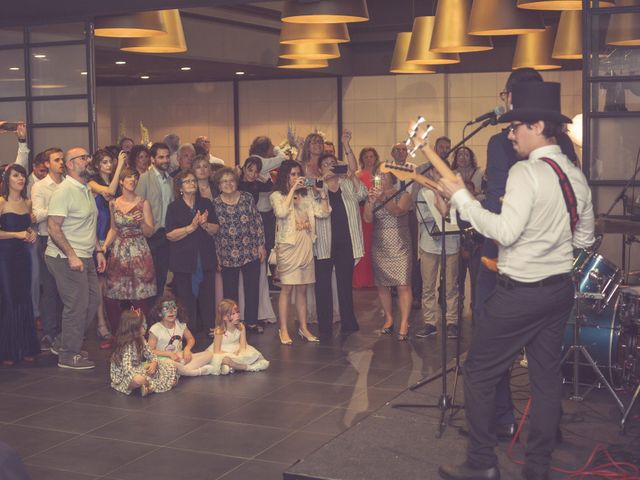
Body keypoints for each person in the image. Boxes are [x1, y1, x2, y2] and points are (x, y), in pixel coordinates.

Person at [436, 81, 595, 480]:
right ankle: (537, 468)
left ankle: (481, 463)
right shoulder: (575, 176)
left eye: (516, 127)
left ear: (538, 126)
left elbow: (504, 232)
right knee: (544, 381)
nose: (510, 134)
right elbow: (584, 240)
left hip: (520, 293)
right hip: (559, 291)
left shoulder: (527, 172)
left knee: (479, 373)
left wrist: (461, 199)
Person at [45, 147, 106, 370]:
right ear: (70, 164)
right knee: (77, 305)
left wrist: (98, 250)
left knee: (93, 301)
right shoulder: (64, 191)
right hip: (64, 256)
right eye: (83, 158)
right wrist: (71, 255)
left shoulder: (85, 188)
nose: (88, 160)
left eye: (88, 157)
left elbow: (89, 224)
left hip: (86, 255)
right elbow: (53, 226)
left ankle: (62, 342)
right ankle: (68, 355)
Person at [270, 160, 330, 344]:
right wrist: (291, 191)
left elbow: (324, 213)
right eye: (292, 175)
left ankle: (304, 328)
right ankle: (284, 329)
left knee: (303, 289)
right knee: (287, 288)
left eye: (298, 174)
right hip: (288, 245)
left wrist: (322, 194)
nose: (296, 178)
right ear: (285, 177)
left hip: (305, 243)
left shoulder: (307, 195)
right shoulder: (276, 195)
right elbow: (280, 212)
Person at [314, 131, 367, 338]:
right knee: (323, 286)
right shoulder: (316, 186)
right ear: (320, 168)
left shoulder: (346, 184)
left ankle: (348, 322)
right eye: (325, 164)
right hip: (324, 243)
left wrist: (351, 174)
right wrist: (321, 187)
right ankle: (324, 326)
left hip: (346, 241)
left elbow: (362, 194)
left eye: (332, 162)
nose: (329, 166)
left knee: (345, 284)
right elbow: (312, 209)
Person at [212, 167, 266, 333]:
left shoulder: (247, 198)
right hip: (227, 253)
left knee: (252, 288)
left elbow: (257, 221)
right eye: (224, 181)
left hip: (250, 249)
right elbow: (213, 233)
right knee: (230, 292)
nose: (228, 184)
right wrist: (217, 256)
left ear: (236, 182)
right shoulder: (215, 204)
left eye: (231, 180)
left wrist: (261, 245)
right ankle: (232, 323)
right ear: (219, 185)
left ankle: (251, 322)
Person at [103, 167, 156, 333]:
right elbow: (113, 229)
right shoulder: (113, 203)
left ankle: (140, 334)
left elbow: (149, 232)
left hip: (139, 250)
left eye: (135, 178)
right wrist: (104, 247)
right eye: (128, 178)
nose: (132, 180)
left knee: (139, 296)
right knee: (113, 295)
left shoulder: (143, 203)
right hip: (119, 251)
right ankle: (119, 334)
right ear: (121, 182)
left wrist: (141, 223)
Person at [166, 170, 219, 333]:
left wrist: (203, 224)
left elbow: (216, 228)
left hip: (204, 257)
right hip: (183, 260)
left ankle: (210, 327)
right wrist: (191, 227)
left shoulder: (205, 203)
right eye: (187, 181)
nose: (192, 184)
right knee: (185, 298)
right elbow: (170, 234)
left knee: (207, 296)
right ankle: (188, 330)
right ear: (180, 187)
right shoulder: (174, 207)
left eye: (193, 181)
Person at [363, 165, 412, 341]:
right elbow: (368, 218)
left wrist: (383, 196)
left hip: (399, 243)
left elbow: (397, 211)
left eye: (384, 175)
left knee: (403, 284)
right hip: (380, 243)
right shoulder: (374, 195)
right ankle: (389, 318)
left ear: (392, 177)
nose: (381, 178)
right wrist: (370, 201)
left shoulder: (403, 194)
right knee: (382, 284)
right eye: (378, 175)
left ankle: (404, 322)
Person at [414, 164, 460, 339]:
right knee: (428, 286)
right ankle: (429, 322)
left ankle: (452, 322)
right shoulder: (423, 193)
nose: (438, 174)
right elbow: (420, 216)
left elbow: (458, 214)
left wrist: (447, 207)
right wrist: (437, 209)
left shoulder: (454, 191)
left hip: (451, 242)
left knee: (451, 285)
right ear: (431, 173)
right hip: (429, 243)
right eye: (435, 171)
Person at [0, 164, 39, 365]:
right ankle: (8, 350)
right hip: (5, 256)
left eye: (22, 175)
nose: (21, 178)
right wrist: (16, 234)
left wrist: (31, 234)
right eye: (16, 175)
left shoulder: (28, 202)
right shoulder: (1, 202)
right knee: (9, 298)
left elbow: (29, 228)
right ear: (7, 180)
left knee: (25, 297)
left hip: (24, 255)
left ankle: (24, 347)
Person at [88, 149, 126, 349]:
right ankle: (101, 322)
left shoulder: (117, 184)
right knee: (99, 284)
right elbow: (109, 191)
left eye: (111, 162)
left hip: (113, 238)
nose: (109, 165)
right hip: (97, 239)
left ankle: (115, 322)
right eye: (105, 162)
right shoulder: (92, 182)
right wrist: (120, 164)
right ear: (97, 165)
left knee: (112, 284)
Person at [30, 147, 65, 351]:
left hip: (69, 239)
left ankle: (63, 331)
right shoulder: (40, 186)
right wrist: (61, 208)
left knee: (66, 289)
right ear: (47, 164)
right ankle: (49, 333)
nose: (61, 163)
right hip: (47, 239)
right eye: (56, 160)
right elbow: (37, 213)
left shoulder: (69, 184)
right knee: (50, 288)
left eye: (62, 159)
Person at [135, 142, 173, 299]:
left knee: (162, 276)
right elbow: (137, 205)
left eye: (167, 157)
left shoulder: (170, 180)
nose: (165, 160)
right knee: (149, 277)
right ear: (152, 159)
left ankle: (157, 312)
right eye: (161, 157)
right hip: (150, 234)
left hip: (167, 235)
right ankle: (149, 315)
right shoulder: (144, 178)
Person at [110, 309, 177, 396]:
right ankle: (154, 386)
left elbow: (152, 355)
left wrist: (153, 363)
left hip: (138, 368)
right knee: (138, 380)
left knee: (169, 365)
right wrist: (144, 371)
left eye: (145, 324)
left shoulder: (141, 339)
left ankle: (149, 387)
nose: (146, 327)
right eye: (142, 325)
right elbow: (128, 370)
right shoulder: (126, 346)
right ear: (133, 328)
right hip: (125, 376)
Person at [452, 146, 484, 316]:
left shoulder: (479, 173)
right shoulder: (451, 173)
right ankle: (457, 303)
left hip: (474, 227)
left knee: (475, 272)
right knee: (457, 273)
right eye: (459, 154)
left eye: (466, 154)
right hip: (456, 225)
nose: (463, 157)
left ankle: (475, 304)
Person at [147, 294, 213, 376]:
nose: (171, 312)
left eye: (174, 308)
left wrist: (187, 349)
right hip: (164, 360)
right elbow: (151, 351)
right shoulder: (155, 329)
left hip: (180, 358)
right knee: (171, 364)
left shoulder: (180, 324)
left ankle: (181, 372)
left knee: (209, 354)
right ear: (160, 313)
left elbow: (191, 339)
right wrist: (169, 354)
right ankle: (194, 372)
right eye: (166, 309)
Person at [208, 299, 269, 375]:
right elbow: (217, 351)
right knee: (225, 360)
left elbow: (243, 345)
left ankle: (230, 367)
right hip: (223, 352)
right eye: (233, 314)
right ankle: (247, 367)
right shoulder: (219, 331)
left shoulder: (241, 327)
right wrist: (230, 354)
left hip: (237, 350)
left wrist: (240, 352)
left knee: (252, 355)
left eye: (237, 312)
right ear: (224, 317)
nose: (237, 315)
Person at [352, 147, 379, 289]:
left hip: (379, 212)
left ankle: (376, 279)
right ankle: (361, 279)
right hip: (362, 212)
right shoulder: (357, 175)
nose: (369, 159)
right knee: (364, 245)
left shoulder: (380, 174)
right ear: (362, 159)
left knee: (376, 245)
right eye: (366, 157)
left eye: (371, 156)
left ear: (376, 158)